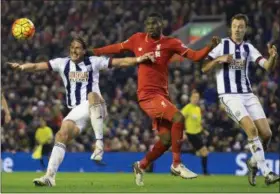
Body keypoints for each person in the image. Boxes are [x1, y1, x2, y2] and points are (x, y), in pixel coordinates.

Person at [91, 12, 220, 186]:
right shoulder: (137, 39)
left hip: (162, 96)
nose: (151, 27)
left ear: (162, 25)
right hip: (147, 95)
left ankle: (141, 165)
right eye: (148, 24)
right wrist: (94, 52)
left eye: (155, 23)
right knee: (179, 118)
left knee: (166, 141)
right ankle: (176, 164)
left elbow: (195, 57)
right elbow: (117, 48)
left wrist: (209, 47)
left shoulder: (171, 43)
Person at [8, 36, 154, 187]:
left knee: (92, 95)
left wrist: (138, 59)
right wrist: (22, 67)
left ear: (84, 51)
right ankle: (49, 176)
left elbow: (119, 62)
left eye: (77, 48)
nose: (74, 50)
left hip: (97, 106)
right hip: (78, 112)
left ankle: (99, 145)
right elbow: (38, 66)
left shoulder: (94, 61)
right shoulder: (62, 63)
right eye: (72, 47)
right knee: (61, 134)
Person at [202, 13, 279, 186]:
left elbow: (267, 66)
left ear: (245, 29)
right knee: (251, 130)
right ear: (231, 27)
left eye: (241, 27)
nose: (238, 29)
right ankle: (266, 173)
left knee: (266, 134)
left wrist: (273, 57)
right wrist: (218, 60)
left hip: (248, 95)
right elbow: (204, 68)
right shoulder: (222, 45)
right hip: (229, 96)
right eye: (235, 26)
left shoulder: (248, 48)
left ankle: (253, 162)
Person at [181, 90, 210, 175]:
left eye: (197, 97)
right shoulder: (187, 108)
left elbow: (198, 123)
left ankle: (185, 153)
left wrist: (204, 131)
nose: (196, 99)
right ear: (190, 98)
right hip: (190, 133)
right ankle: (205, 173)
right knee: (204, 152)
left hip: (198, 133)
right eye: (194, 97)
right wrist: (183, 131)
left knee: (199, 152)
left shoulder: (198, 109)